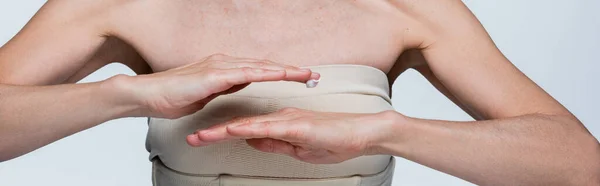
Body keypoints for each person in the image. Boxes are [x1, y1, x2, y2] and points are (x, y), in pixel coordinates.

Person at [0, 0, 598, 185]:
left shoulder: (410, 9)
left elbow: (576, 161)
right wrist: (128, 94)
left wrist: (387, 132)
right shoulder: (114, 5)